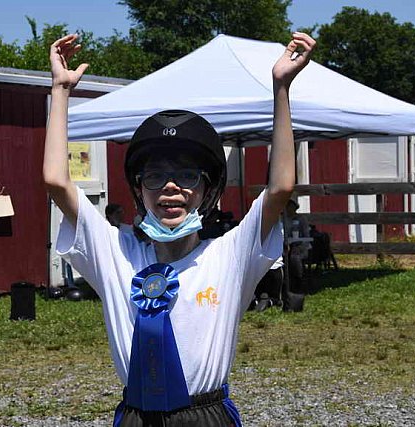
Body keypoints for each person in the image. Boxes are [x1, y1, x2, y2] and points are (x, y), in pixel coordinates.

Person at [43, 31, 316, 426]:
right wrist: (60, 91)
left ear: (207, 190)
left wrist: (281, 88)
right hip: (137, 415)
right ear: (138, 189)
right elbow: (56, 181)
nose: (171, 187)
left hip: (205, 414)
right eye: (155, 176)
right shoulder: (116, 251)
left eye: (187, 176)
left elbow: (280, 189)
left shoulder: (229, 254)